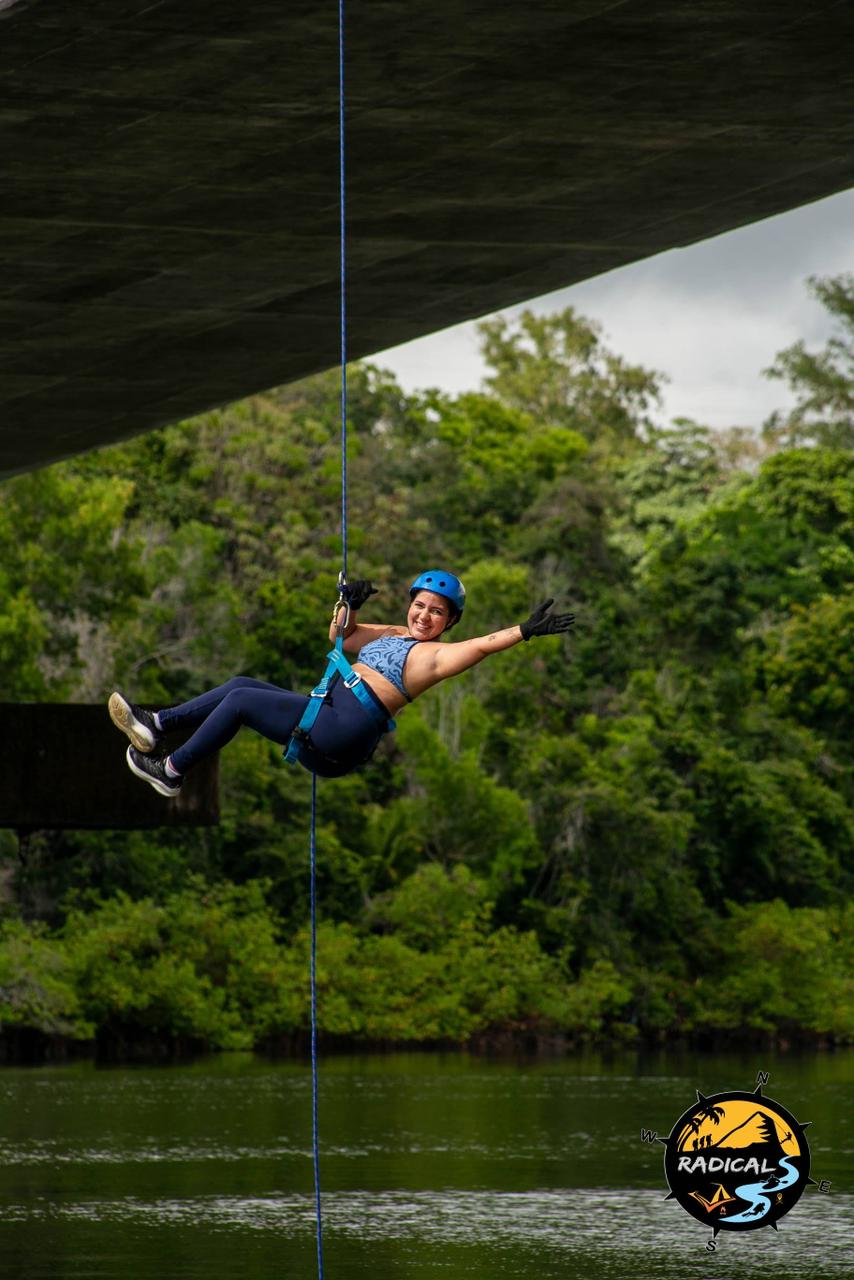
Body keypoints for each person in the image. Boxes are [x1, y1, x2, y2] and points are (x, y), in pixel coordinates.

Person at [108, 569, 574, 796]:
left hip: (343, 730)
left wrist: (522, 631)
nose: (424, 616)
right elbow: (342, 636)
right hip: (328, 716)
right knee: (240, 684)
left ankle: (172, 771)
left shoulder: (435, 657)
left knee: (242, 701)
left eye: (437, 612)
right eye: (420, 605)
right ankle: (157, 724)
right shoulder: (394, 633)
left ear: (449, 622)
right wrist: (349, 603)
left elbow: (480, 646)